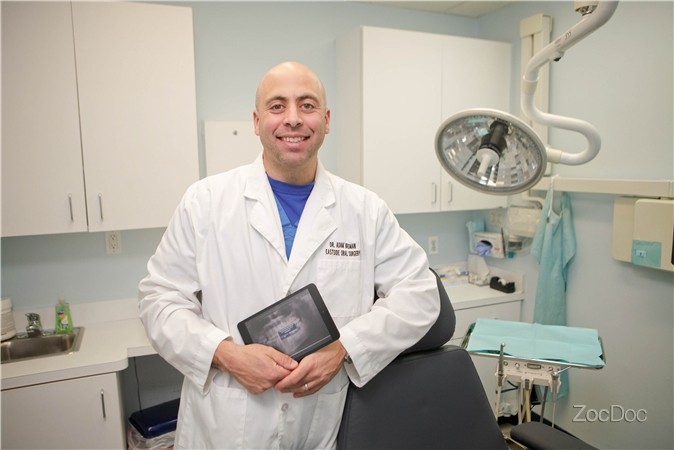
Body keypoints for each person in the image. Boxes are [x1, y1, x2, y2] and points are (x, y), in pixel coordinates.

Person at [138, 61, 440, 449]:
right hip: (225, 429)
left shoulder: (365, 210)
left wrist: (343, 348)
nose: (293, 118)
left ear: (326, 120)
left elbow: (420, 295)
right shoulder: (205, 203)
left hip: (317, 428)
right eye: (277, 106)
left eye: (307, 105)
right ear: (257, 121)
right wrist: (227, 355)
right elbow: (159, 300)